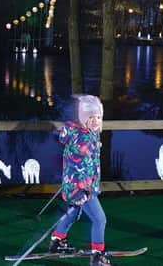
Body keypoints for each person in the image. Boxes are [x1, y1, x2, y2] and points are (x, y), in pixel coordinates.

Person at [48, 95, 111, 266]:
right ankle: (98, 255)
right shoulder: (84, 138)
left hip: (73, 185)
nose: (96, 121)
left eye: (98, 117)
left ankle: (57, 241)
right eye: (91, 117)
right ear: (83, 118)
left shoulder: (78, 132)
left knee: (72, 214)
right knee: (99, 219)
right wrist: (84, 189)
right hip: (81, 188)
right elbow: (84, 165)